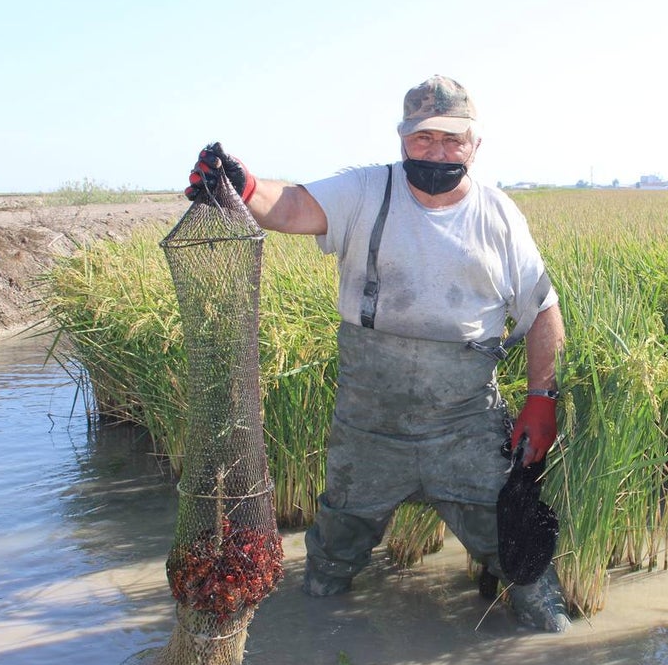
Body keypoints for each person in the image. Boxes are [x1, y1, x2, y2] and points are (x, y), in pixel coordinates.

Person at [185, 75, 569, 632]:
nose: (438, 150)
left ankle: (540, 618)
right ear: (402, 137)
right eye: (424, 138)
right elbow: (290, 207)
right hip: (368, 424)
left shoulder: (499, 215)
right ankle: (317, 616)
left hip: (463, 422)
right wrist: (243, 187)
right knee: (329, 561)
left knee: (517, 551)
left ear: (475, 145)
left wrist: (541, 399)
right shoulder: (366, 191)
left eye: (452, 140)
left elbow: (543, 313)